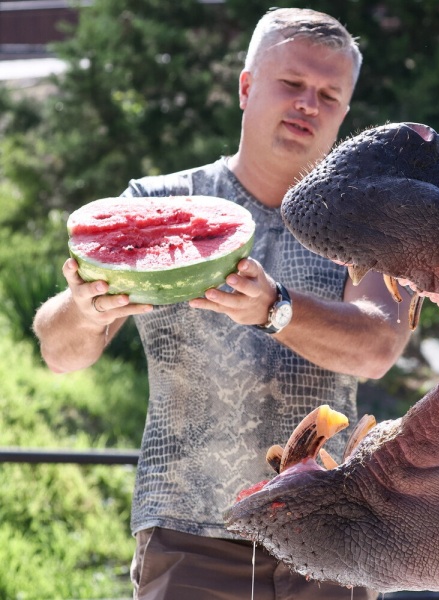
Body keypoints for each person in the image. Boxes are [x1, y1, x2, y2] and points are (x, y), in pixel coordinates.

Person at [33, 8, 410, 600]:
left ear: (344, 112)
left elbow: (377, 347)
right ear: (246, 86)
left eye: (328, 94)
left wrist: (275, 308)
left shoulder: (366, 225)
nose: (308, 103)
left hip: (332, 537)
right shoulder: (155, 204)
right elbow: (60, 354)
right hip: (187, 537)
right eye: (291, 84)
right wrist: (84, 310)